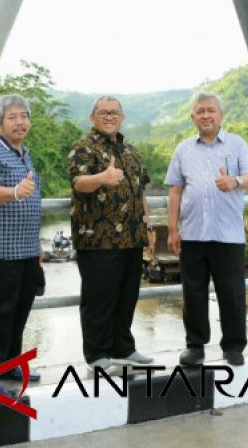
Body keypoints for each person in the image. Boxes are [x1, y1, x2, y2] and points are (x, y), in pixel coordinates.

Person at [165, 93, 248, 367]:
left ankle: (233, 346)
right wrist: (173, 230)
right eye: (200, 111)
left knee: (231, 292)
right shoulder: (183, 149)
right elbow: (175, 191)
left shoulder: (236, 144)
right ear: (192, 116)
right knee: (193, 292)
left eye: (211, 110)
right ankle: (195, 346)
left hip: (227, 233)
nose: (206, 115)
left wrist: (235, 181)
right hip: (192, 234)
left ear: (221, 114)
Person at [67, 95, 154, 371]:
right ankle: (96, 355)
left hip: (132, 236)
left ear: (122, 117)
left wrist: (148, 226)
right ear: (93, 117)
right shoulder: (83, 148)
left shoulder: (131, 151)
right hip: (97, 239)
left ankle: (123, 349)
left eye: (114, 112)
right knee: (99, 300)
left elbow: (140, 192)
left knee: (127, 297)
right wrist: (102, 178)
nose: (109, 116)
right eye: (103, 112)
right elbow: (79, 183)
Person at [0, 94, 43, 399]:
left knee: (20, 311)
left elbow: (33, 202)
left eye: (24, 116)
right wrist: (15, 191)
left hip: (27, 248)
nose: (20, 122)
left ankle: (9, 364)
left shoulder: (25, 153)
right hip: (2, 250)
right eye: (13, 117)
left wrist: (39, 245)